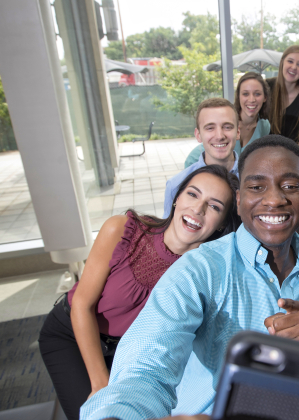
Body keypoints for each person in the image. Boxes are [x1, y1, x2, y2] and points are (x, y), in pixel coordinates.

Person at [80, 135, 299, 420]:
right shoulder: (199, 270)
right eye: (256, 186)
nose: (275, 199)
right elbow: (144, 371)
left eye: (290, 186)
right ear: (238, 201)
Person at [39, 165, 241, 420]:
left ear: (222, 223)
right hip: (73, 333)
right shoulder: (122, 229)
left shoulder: (204, 270)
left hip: (130, 353)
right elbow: (81, 304)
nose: (197, 209)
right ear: (177, 198)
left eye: (214, 206)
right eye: (192, 194)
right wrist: (101, 385)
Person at [163, 98, 240, 218]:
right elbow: (167, 232)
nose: (220, 136)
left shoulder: (255, 179)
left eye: (227, 127)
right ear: (198, 135)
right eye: (210, 128)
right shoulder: (176, 185)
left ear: (238, 132)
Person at [183, 72, 271, 168]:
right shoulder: (226, 118)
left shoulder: (264, 126)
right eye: (245, 94)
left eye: (257, 94)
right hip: (203, 165)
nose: (252, 99)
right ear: (238, 96)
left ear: (265, 97)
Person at [268, 45, 299, 147]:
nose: (294, 67)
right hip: (262, 155)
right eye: (290, 61)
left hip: (289, 159)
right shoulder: (266, 87)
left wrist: (295, 150)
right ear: (282, 62)